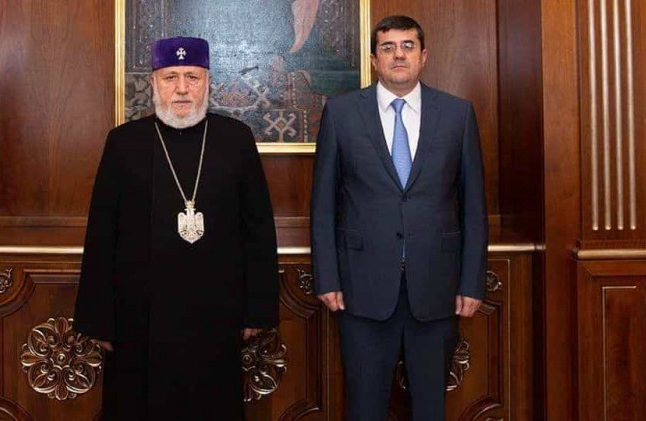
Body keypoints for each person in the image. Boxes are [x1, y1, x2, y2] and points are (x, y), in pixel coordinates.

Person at [73, 36, 280, 420]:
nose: (182, 88)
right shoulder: (124, 142)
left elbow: (258, 230)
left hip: (216, 315)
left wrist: (257, 310)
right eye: (170, 77)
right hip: (138, 318)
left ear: (208, 82)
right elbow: (101, 234)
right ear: (154, 82)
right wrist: (98, 318)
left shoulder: (236, 139)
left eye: (192, 77)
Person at [310, 15, 488, 421]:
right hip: (361, 288)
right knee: (365, 407)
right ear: (375, 60)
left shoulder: (458, 115)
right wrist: (327, 277)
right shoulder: (341, 114)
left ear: (424, 56)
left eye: (408, 46)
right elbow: (323, 204)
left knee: (430, 407)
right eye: (388, 48)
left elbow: (473, 206)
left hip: (437, 288)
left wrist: (471, 281)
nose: (399, 55)